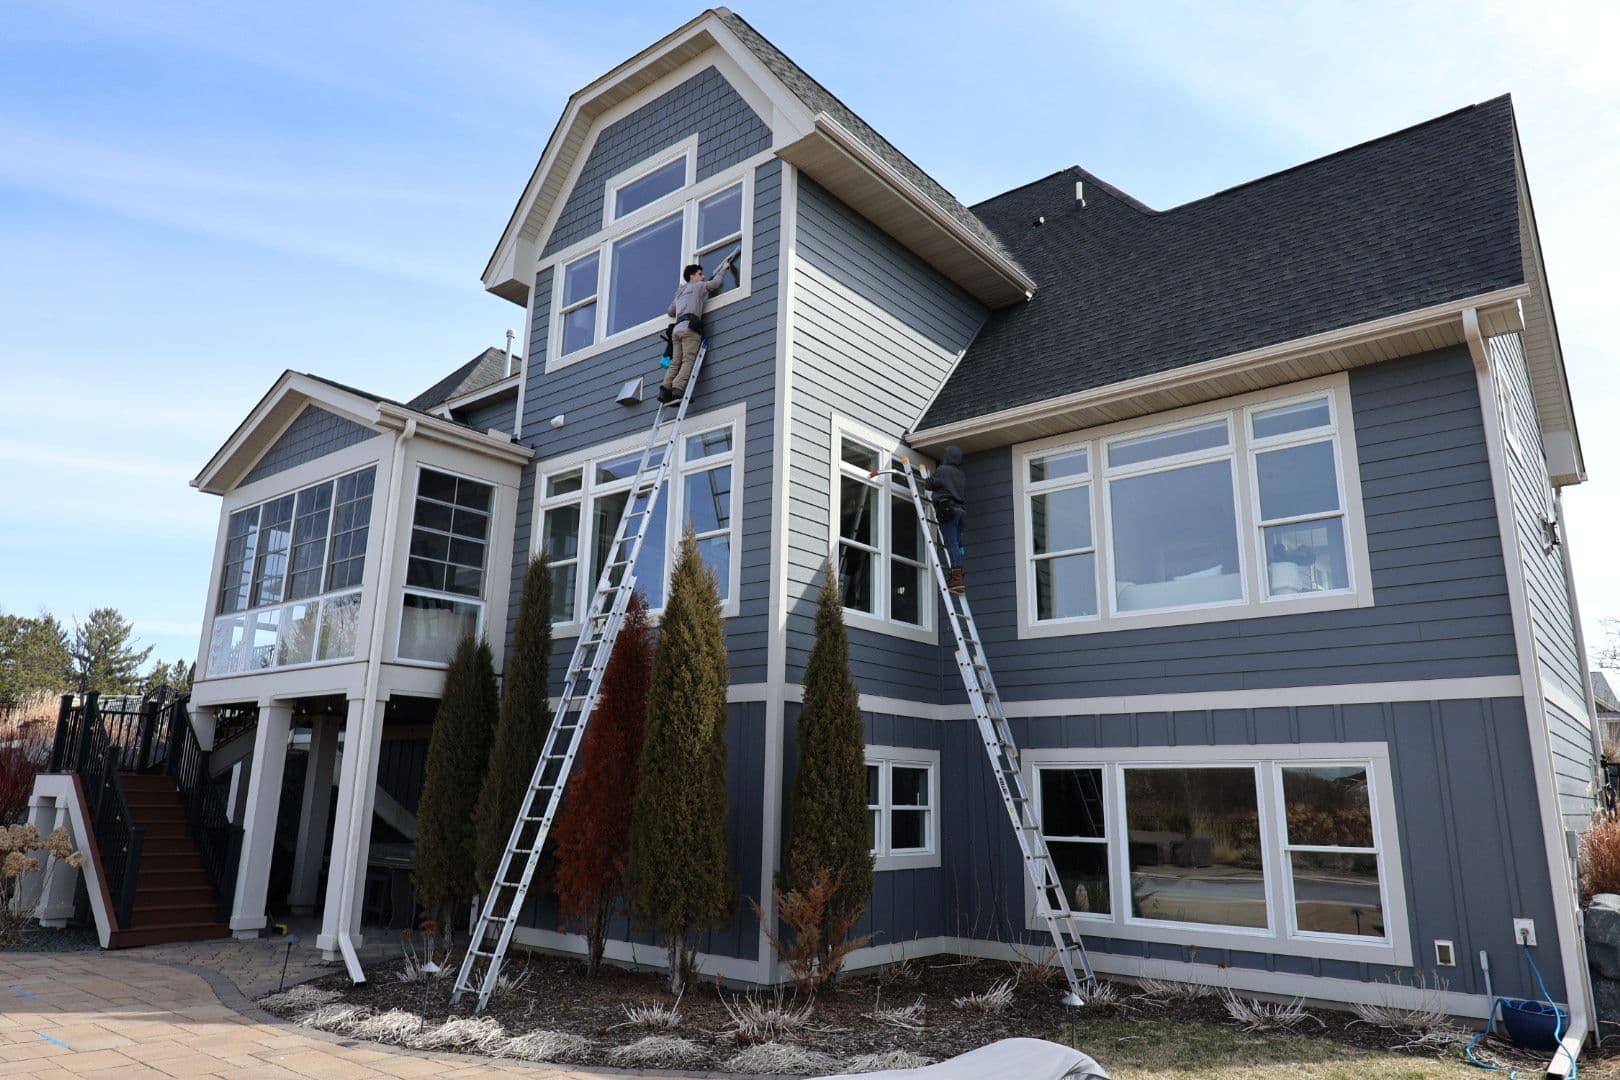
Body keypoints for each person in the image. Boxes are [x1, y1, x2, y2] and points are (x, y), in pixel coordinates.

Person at [658, 259, 731, 404]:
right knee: (687, 361)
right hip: (689, 329)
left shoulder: (680, 292)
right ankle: (678, 389)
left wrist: (679, 295)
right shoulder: (698, 286)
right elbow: (715, 284)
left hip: (676, 331)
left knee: (675, 362)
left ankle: (665, 389)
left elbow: (670, 312)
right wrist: (723, 269)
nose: (703, 277)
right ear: (692, 276)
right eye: (700, 274)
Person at [927, 446, 968, 593]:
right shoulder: (960, 474)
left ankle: (956, 577)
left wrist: (928, 478)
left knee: (951, 544)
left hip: (947, 510)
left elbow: (929, 484)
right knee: (957, 544)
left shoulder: (943, 470)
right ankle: (958, 574)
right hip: (960, 511)